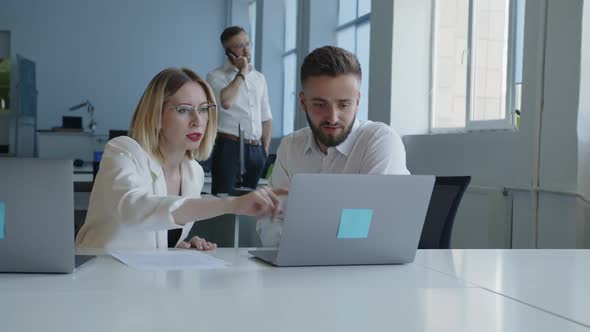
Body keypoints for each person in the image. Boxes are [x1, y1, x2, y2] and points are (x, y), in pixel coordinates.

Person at [75, 67, 285, 250]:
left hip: (145, 285)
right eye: (183, 110)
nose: (197, 121)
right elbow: (134, 210)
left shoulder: (193, 172)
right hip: (100, 280)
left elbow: (156, 234)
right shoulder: (123, 151)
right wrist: (230, 205)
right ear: (156, 114)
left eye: (203, 110)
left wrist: (177, 246)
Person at [257, 46, 410, 246]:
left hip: (368, 271)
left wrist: (300, 243)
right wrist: (291, 252)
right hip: (298, 270)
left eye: (344, 104)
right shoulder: (290, 146)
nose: (332, 117)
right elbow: (271, 219)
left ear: (358, 102)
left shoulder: (380, 141)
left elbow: (374, 228)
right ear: (303, 102)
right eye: (320, 104)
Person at [206, 26, 272, 195]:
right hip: (229, 146)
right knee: (224, 200)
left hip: (256, 149)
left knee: (251, 202)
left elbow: (266, 116)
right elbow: (226, 101)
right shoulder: (215, 76)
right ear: (228, 51)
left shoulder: (259, 78)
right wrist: (241, 73)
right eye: (239, 46)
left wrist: (264, 149)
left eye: (247, 44)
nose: (246, 49)